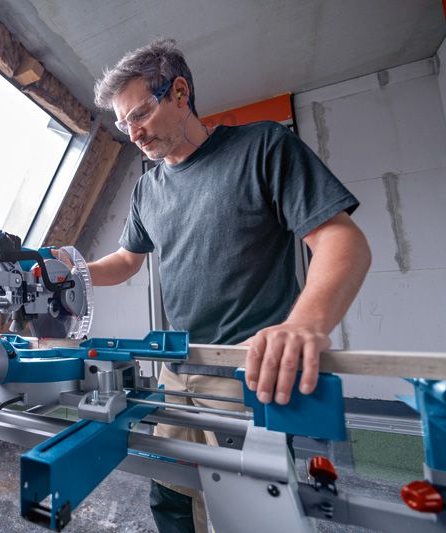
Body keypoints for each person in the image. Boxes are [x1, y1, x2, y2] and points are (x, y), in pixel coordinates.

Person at [87, 38, 371, 532]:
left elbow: (343, 242)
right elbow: (127, 260)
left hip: (247, 370)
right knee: (172, 494)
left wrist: (303, 326)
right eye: (123, 123)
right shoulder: (147, 188)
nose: (133, 133)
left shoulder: (262, 147)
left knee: (249, 508)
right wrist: (68, 270)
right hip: (180, 367)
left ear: (179, 93)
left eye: (140, 114)